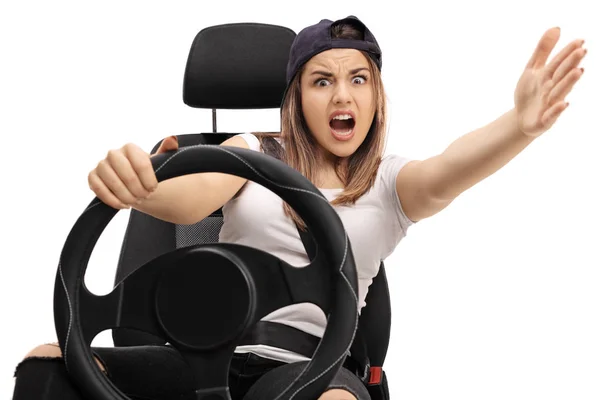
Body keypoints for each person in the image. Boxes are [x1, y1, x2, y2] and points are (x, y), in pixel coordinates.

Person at [12, 14, 586, 400]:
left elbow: (452, 168)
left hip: (306, 369)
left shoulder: (390, 184)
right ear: (297, 98)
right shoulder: (248, 153)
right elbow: (189, 201)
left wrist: (520, 127)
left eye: (358, 80)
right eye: (322, 81)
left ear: (375, 97)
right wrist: (140, 188)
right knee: (46, 365)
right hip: (199, 352)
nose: (342, 95)